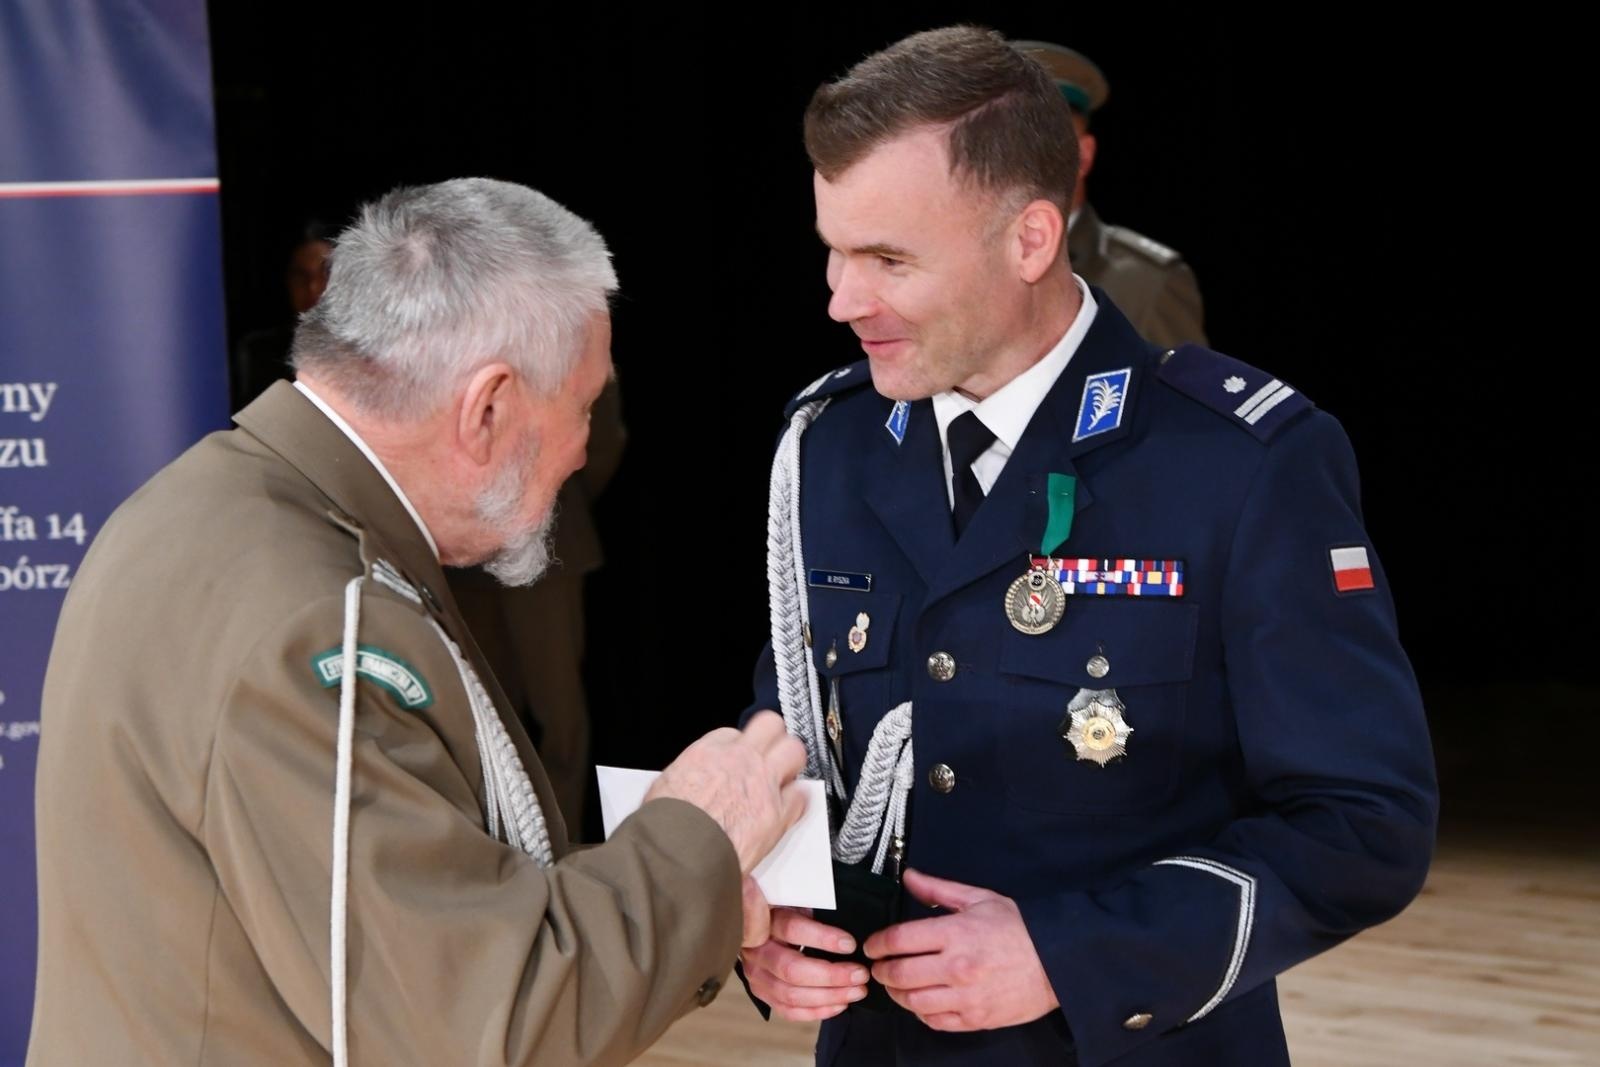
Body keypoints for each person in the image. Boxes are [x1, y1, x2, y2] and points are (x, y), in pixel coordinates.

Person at [738, 27, 1436, 1066]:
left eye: (888, 257)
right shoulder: (825, 445)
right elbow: (791, 728)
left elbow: (1362, 822)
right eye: (833, 248)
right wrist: (771, 921)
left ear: (1029, 239)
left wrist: (1068, 952)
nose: (842, 299)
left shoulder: (1239, 461)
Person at [30, 178, 805, 1067]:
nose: (588, 447)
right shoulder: (323, 618)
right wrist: (698, 837)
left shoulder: (206, 504)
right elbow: (483, 1020)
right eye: (583, 406)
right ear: (488, 409)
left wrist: (690, 906)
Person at [448, 374, 626, 836]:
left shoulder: (557, 314)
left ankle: (558, 841)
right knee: (478, 710)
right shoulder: (450, 317)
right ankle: (494, 840)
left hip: (548, 541)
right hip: (464, 549)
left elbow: (601, 434)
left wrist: (557, 500)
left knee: (558, 710)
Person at [1013, 39, 1209, 350]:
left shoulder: (1147, 283)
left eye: (1046, 141)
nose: (1022, 155)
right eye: (1007, 140)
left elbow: (1186, 396)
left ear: (1084, 155)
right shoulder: (958, 262)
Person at [231, 221, 337, 409]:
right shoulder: (258, 353)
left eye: (324, 274)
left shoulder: (368, 351)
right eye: (301, 276)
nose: (313, 287)